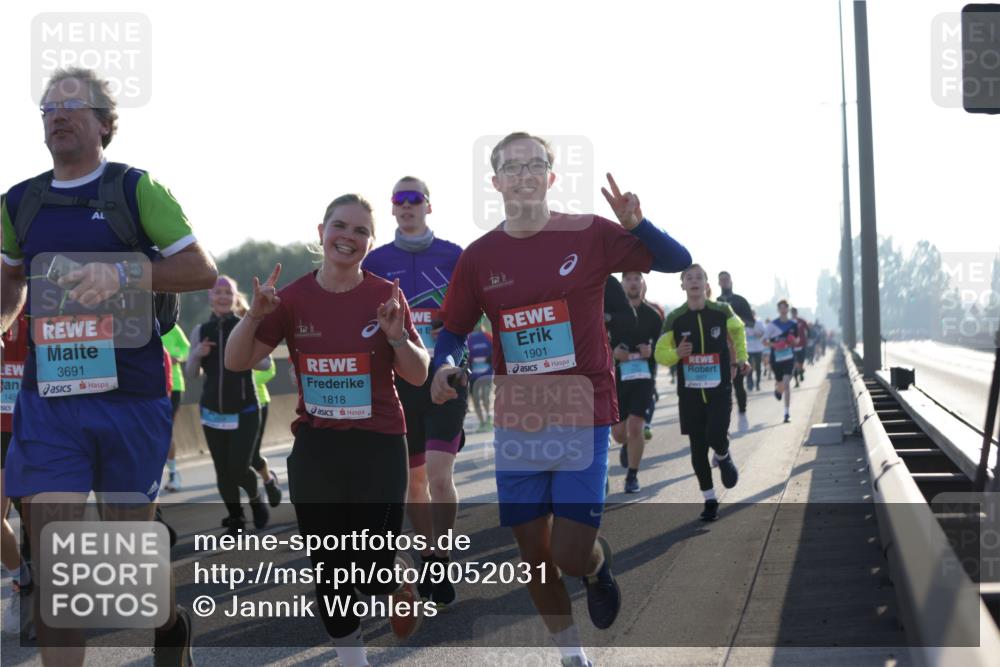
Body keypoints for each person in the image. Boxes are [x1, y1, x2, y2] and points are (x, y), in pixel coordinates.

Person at [429, 132, 691, 667]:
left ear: (550, 177)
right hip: (519, 420)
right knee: (533, 556)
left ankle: (596, 568)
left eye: (535, 165)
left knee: (570, 554)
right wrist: (443, 365)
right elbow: (453, 329)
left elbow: (676, 260)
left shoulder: (590, 233)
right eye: (511, 167)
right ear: (495, 181)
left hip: (582, 410)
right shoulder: (480, 257)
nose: (523, 174)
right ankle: (572, 656)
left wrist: (637, 224)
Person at [0, 67, 217, 666]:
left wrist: (123, 272)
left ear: (104, 122)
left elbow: (201, 270)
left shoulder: (134, 190)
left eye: (73, 106)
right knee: (55, 561)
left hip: (133, 398)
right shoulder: (19, 201)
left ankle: (168, 625)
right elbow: (10, 281)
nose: (57, 115)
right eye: (48, 107)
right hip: (51, 405)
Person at [224, 194, 426, 667]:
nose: (348, 237)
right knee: (331, 569)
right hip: (317, 445)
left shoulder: (385, 296)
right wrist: (253, 314)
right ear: (321, 232)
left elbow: (417, 375)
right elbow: (238, 362)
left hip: (378, 443)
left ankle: (394, 579)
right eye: (340, 226)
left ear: (370, 243)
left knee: (371, 570)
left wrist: (396, 336)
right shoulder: (291, 299)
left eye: (360, 231)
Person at [362, 176, 467, 607]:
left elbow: (474, 314)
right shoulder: (376, 261)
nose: (406, 205)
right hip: (400, 383)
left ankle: (438, 559)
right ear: (391, 209)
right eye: (399, 200)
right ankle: (426, 552)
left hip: (446, 378)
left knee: (441, 476)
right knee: (415, 480)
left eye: (415, 199)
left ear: (428, 205)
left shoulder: (455, 256)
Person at [655, 264, 749, 522]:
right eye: (689, 278)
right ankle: (709, 499)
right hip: (690, 394)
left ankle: (723, 454)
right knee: (697, 449)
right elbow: (659, 354)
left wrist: (741, 359)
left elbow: (739, 331)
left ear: (706, 284)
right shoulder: (675, 318)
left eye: (699, 277)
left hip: (719, 388)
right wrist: (677, 354)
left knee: (716, 433)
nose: (694, 281)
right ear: (683, 285)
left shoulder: (721, 311)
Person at [186, 276, 271, 535]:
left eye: (228, 292)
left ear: (235, 297)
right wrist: (197, 355)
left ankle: (256, 498)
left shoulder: (247, 326)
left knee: (238, 466)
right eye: (217, 292)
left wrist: (248, 352)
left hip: (245, 409)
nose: (222, 296)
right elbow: (191, 373)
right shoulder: (201, 330)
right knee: (222, 471)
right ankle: (236, 518)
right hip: (212, 410)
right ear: (210, 297)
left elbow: (265, 364)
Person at [610, 272, 662, 493]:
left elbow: (663, 349)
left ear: (643, 283)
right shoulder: (611, 314)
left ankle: (632, 476)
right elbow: (599, 344)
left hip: (643, 377)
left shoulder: (653, 315)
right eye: (628, 279)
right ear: (621, 285)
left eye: (637, 278)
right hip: (617, 379)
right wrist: (614, 354)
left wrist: (652, 352)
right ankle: (626, 445)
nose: (633, 282)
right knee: (619, 433)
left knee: (636, 426)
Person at [1, 310, 31, 636]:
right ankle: (21, 578)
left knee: (39, 517)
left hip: (34, 422)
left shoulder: (36, 305)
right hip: (0, 429)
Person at [716, 271, 754, 415]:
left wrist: (735, 320)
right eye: (722, 280)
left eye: (726, 279)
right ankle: (725, 414)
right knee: (722, 386)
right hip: (721, 348)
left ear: (731, 281)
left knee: (738, 384)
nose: (724, 282)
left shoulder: (740, 300)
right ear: (718, 283)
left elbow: (751, 321)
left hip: (738, 347)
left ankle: (742, 410)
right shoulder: (716, 302)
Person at [160, 316, 190, 492]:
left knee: (166, 429)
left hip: (173, 384)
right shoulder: (137, 326)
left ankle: (173, 473)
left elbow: (187, 348)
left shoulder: (171, 327)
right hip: (146, 384)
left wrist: (177, 356)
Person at [765, 300, 800, 423]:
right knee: (781, 385)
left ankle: (786, 413)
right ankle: (777, 390)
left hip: (789, 358)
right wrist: (775, 344)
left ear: (787, 309)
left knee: (786, 383)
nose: (783, 310)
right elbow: (764, 341)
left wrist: (793, 341)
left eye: (785, 308)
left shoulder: (793, 324)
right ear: (778, 310)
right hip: (776, 359)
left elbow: (797, 340)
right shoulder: (772, 325)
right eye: (781, 308)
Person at [467, 319, 494, 432]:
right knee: (476, 399)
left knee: (486, 396)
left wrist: (491, 360)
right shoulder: (468, 338)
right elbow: (465, 355)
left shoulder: (488, 336)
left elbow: (496, 350)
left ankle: (488, 417)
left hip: (487, 372)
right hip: (474, 374)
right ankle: (482, 422)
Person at [745, 309, 766, 391]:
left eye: (752, 314)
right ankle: (750, 383)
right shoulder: (744, 323)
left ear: (754, 315)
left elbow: (765, 333)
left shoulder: (759, 323)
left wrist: (759, 334)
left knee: (758, 367)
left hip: (758, 348)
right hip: (748, 349)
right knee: (748, 367)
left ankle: (757, 383)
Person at [789, 307, 809, 387]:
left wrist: (808, 338)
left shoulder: (802, 321)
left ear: (796, 313)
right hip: (792, 347)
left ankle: (801, 372)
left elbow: (808, 330)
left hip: (802, 345)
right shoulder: (789, 322)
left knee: (800, 363)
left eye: (795, 313)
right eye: (792, 313)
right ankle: (797, 382)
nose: (793, 314)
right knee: (794, 365)